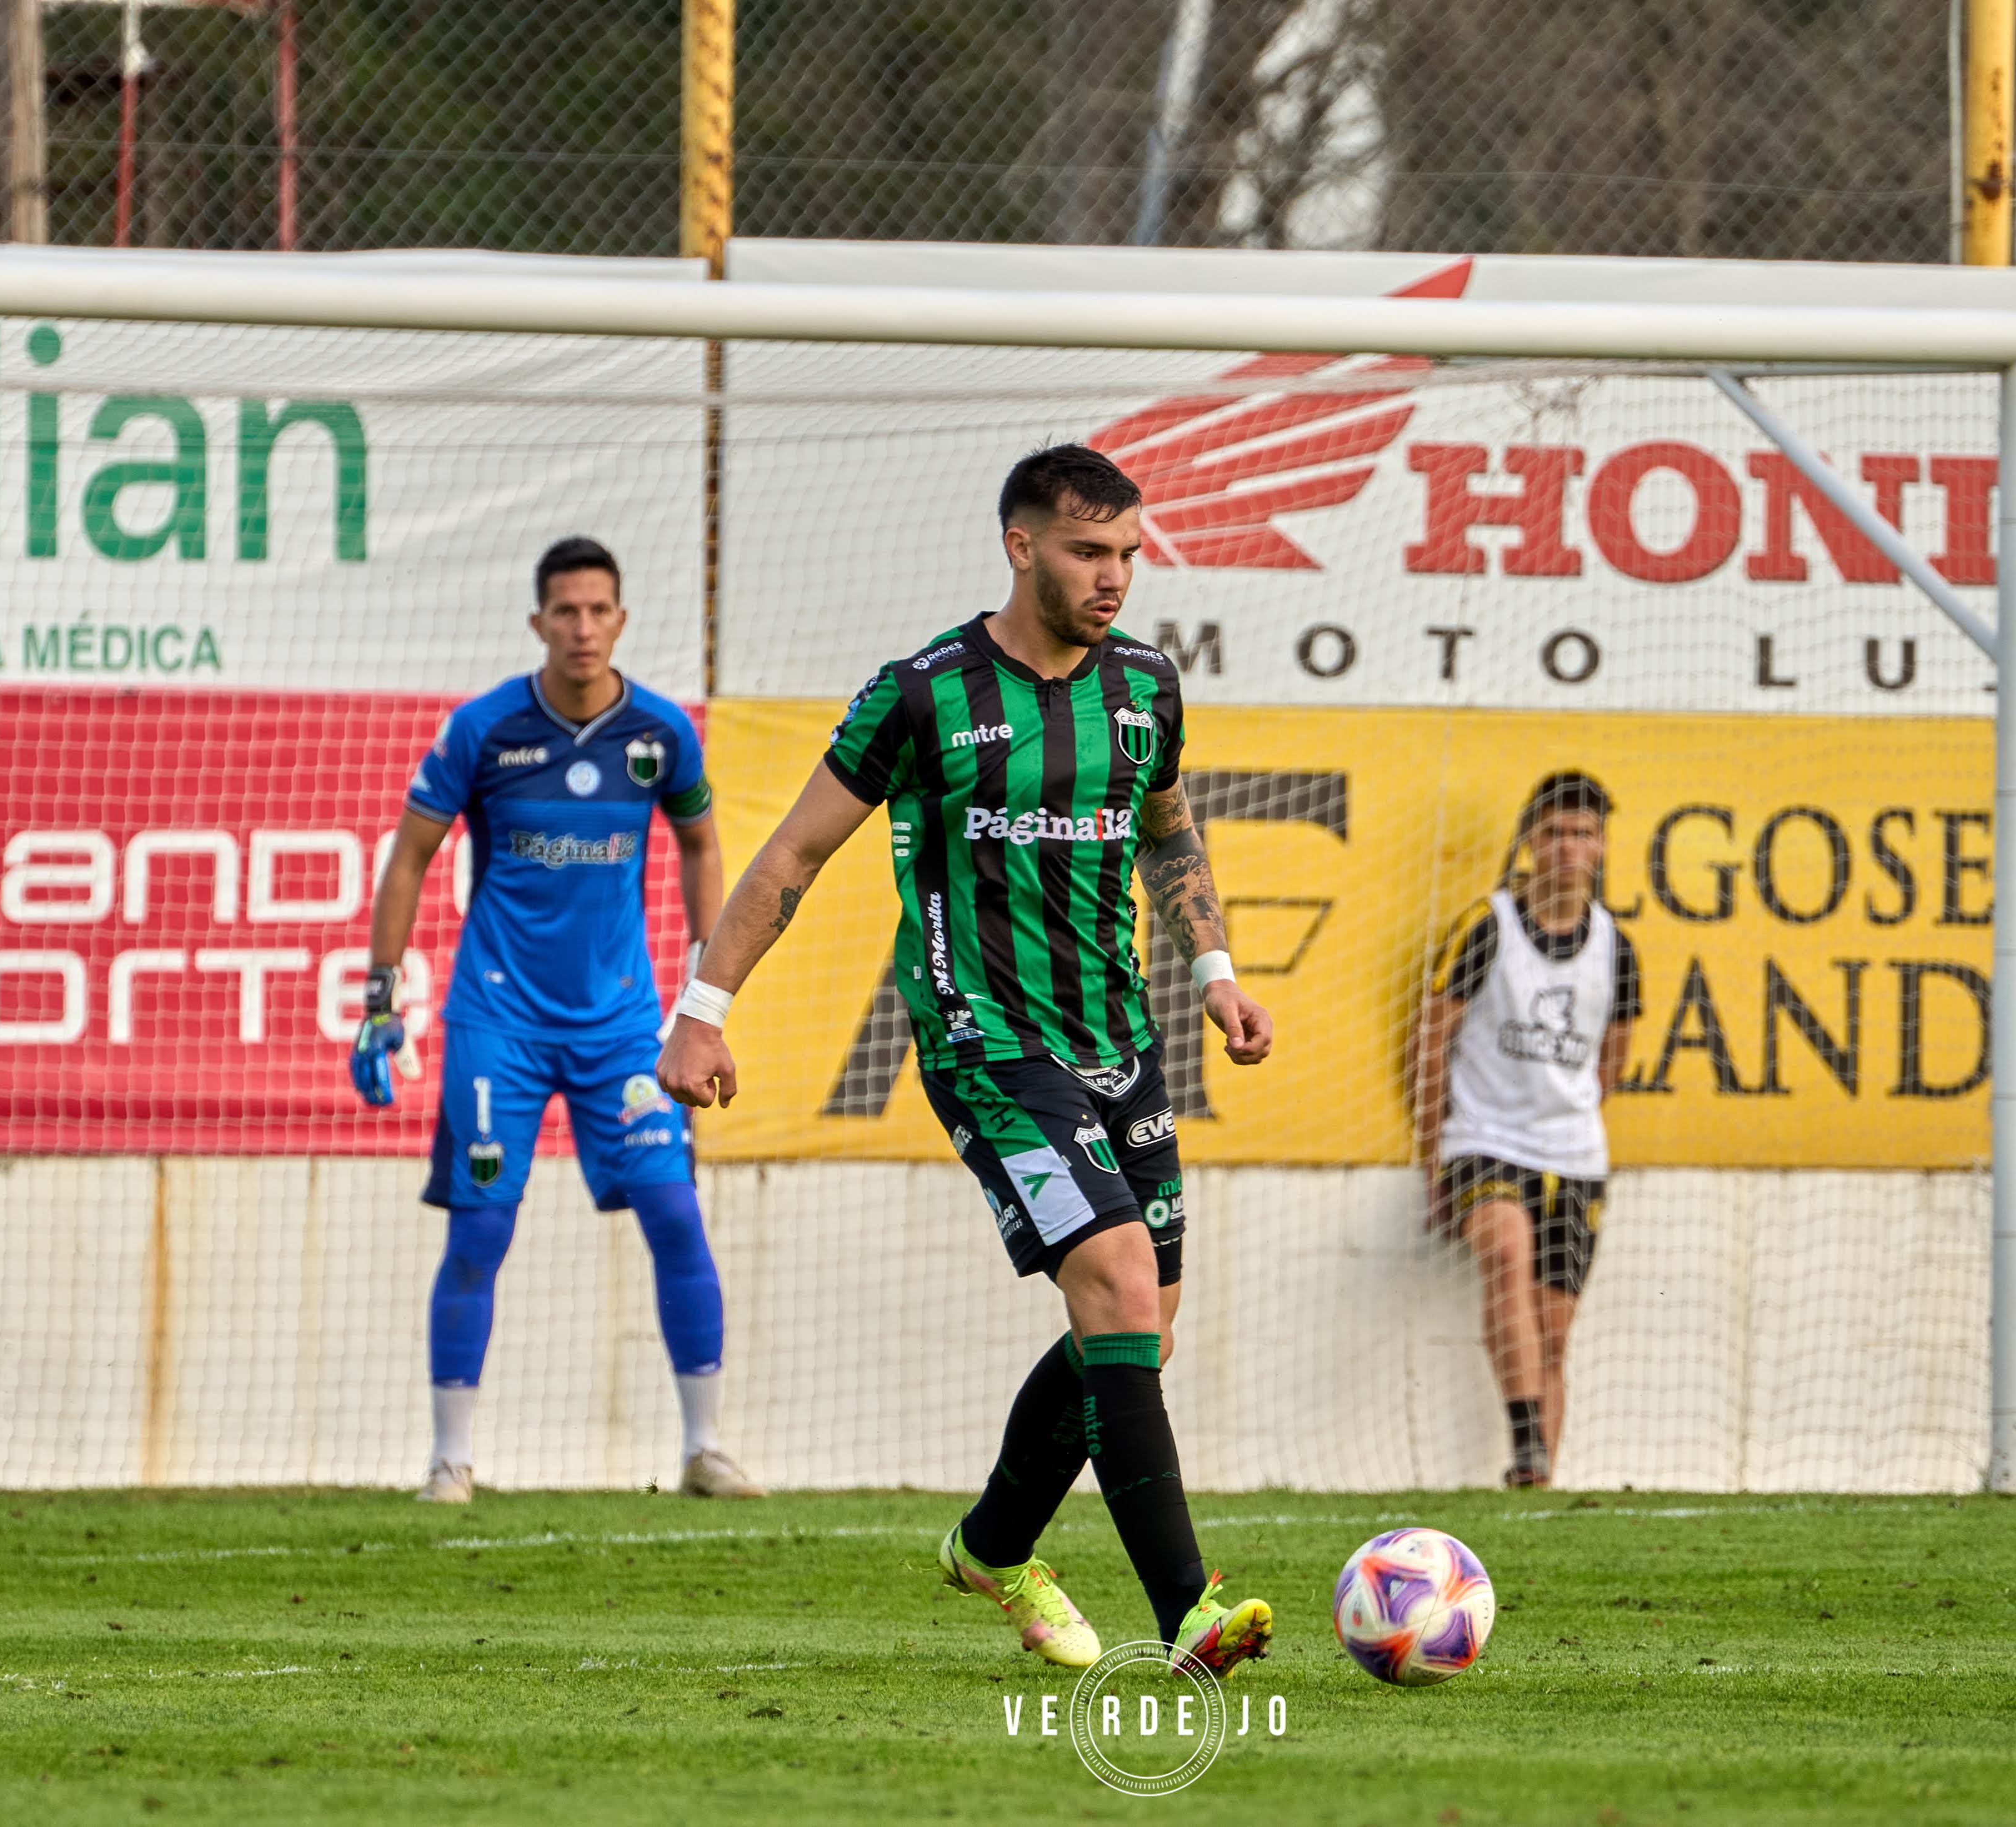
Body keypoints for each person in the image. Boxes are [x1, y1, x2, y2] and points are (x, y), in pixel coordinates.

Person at [655, 444, 1276, 1680]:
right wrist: (703, 1006)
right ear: (1022, 546)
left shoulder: (1147, 685)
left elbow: (1169, 833)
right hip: (985, 1039)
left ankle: (995, 1547)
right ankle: (1189, 1611)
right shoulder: (925, 692)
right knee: (1116, 1279)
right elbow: (786, 859)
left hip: (1118, 1039)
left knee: (1135, 1328)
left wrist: (1215, 972)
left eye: (1129, 554)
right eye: (1089, 552)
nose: (1115, 578)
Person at [351, 535, 762, 1506]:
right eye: (565, 613)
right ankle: (450, 1460)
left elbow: (702, 845)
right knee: (481, 1231)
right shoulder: (485, 730)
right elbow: (410, 855)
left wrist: (702, 998)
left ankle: (705, 1448)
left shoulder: (660, 733)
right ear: (538, 622)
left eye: (599, 611)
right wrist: (381, 999)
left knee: (674, 1217)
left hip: (622, 1027)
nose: (582, 628)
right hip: (499, 1021)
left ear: (621, 618)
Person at [1410, 773, 1641, 1490]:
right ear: (1531, 843)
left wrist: (1567, 1110)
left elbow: (1614, 1060)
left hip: (1573, 1154)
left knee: (1555, 1327)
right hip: (1484, 1141)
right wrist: (1434, 1162)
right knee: (1506, 1257)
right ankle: (1526, 1441)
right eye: (1554, 833)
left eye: (1583, 833)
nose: (1569, 847)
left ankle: (1538, 1482)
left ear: (1602, 846)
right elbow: (1431, 1042)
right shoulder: (1490, 926)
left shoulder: (1616, 948)